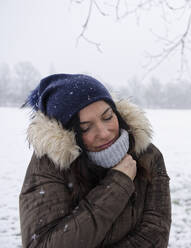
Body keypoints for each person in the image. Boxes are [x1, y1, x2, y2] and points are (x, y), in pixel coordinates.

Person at [19, 74, 171, 248]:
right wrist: (117, 184)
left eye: (107, 117)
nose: (104, 133)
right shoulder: (50, 165)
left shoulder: (147, 156)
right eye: (85, 127)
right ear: (68, 134)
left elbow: (155, 234)